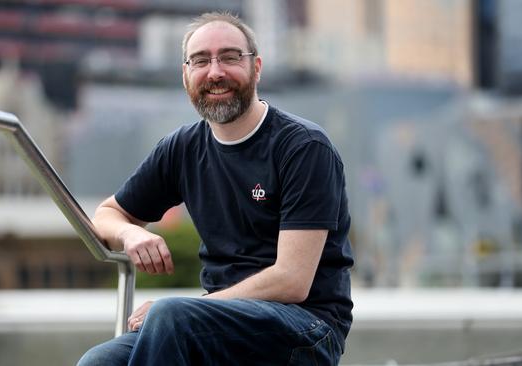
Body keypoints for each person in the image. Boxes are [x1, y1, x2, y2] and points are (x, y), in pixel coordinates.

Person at [77, 11, 353, 366]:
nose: (216, 72)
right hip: (216, 323)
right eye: (201, 60)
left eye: (230, 57)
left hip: (306, 328)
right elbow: (107, 215)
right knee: (99, 362)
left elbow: (292, 281)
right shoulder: (182, 148)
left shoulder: (303, 147)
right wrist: (130, 235)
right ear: (185, 75)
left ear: (256, 68)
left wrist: (193, 308)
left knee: (171, 317)